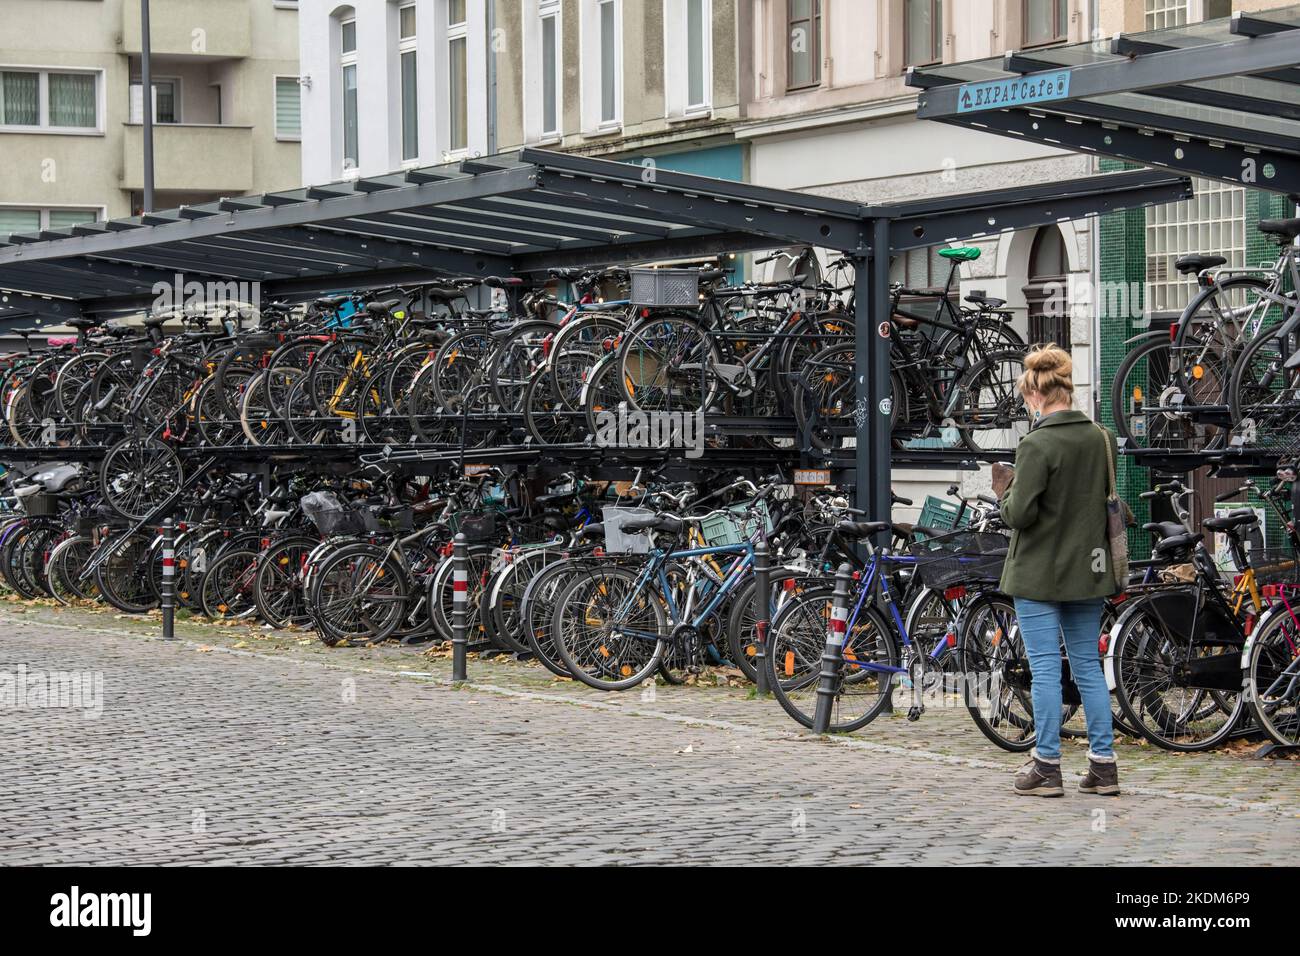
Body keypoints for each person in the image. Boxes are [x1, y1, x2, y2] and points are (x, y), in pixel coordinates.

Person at [994, 344, 1120, 797]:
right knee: (1088, 665)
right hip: (1089, 569)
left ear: (1036, 396)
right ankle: (1103, 766)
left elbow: (1020, 514)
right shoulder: (1101, 439)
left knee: (1045, 668)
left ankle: (1046, 765)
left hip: (1039, 573)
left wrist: (1003, 491)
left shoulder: (1037, 443)